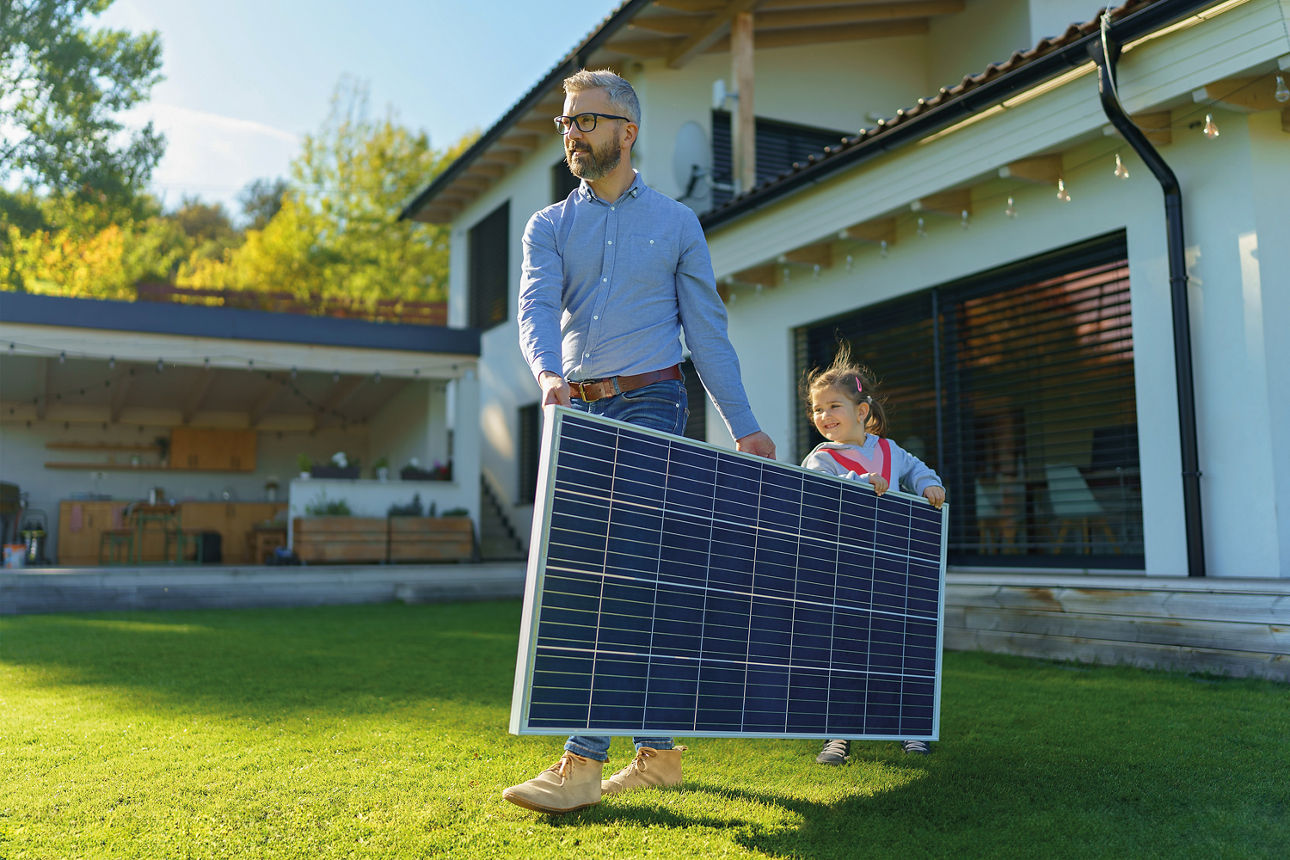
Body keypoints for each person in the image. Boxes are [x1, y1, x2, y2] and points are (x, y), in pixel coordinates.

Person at [504, 68, 777, 815]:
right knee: (617, 579)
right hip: (580, 411)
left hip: (655, 402)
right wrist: (549, 375)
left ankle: (581, 763)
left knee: (623, 575)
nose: (571, 133)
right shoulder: (549, 226)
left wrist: (743, 423)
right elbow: (533, 307)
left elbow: (707, 332)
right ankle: (656, 755)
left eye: (586, 120)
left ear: (627, 130)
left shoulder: (679, 224)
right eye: (565, 122)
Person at [799, 343, 945, 765]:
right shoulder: (821, 459)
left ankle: (912, 728)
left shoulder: (889, 450)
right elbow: (820, 496)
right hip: (844, 571)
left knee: (900, 646)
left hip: (893, 569)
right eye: (817, 409)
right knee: (843, 649)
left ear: (861, 411)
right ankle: (837, 734)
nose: (824, 416)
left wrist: (928, 484)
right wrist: (856, 480)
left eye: (834, 406)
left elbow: (917, 469)